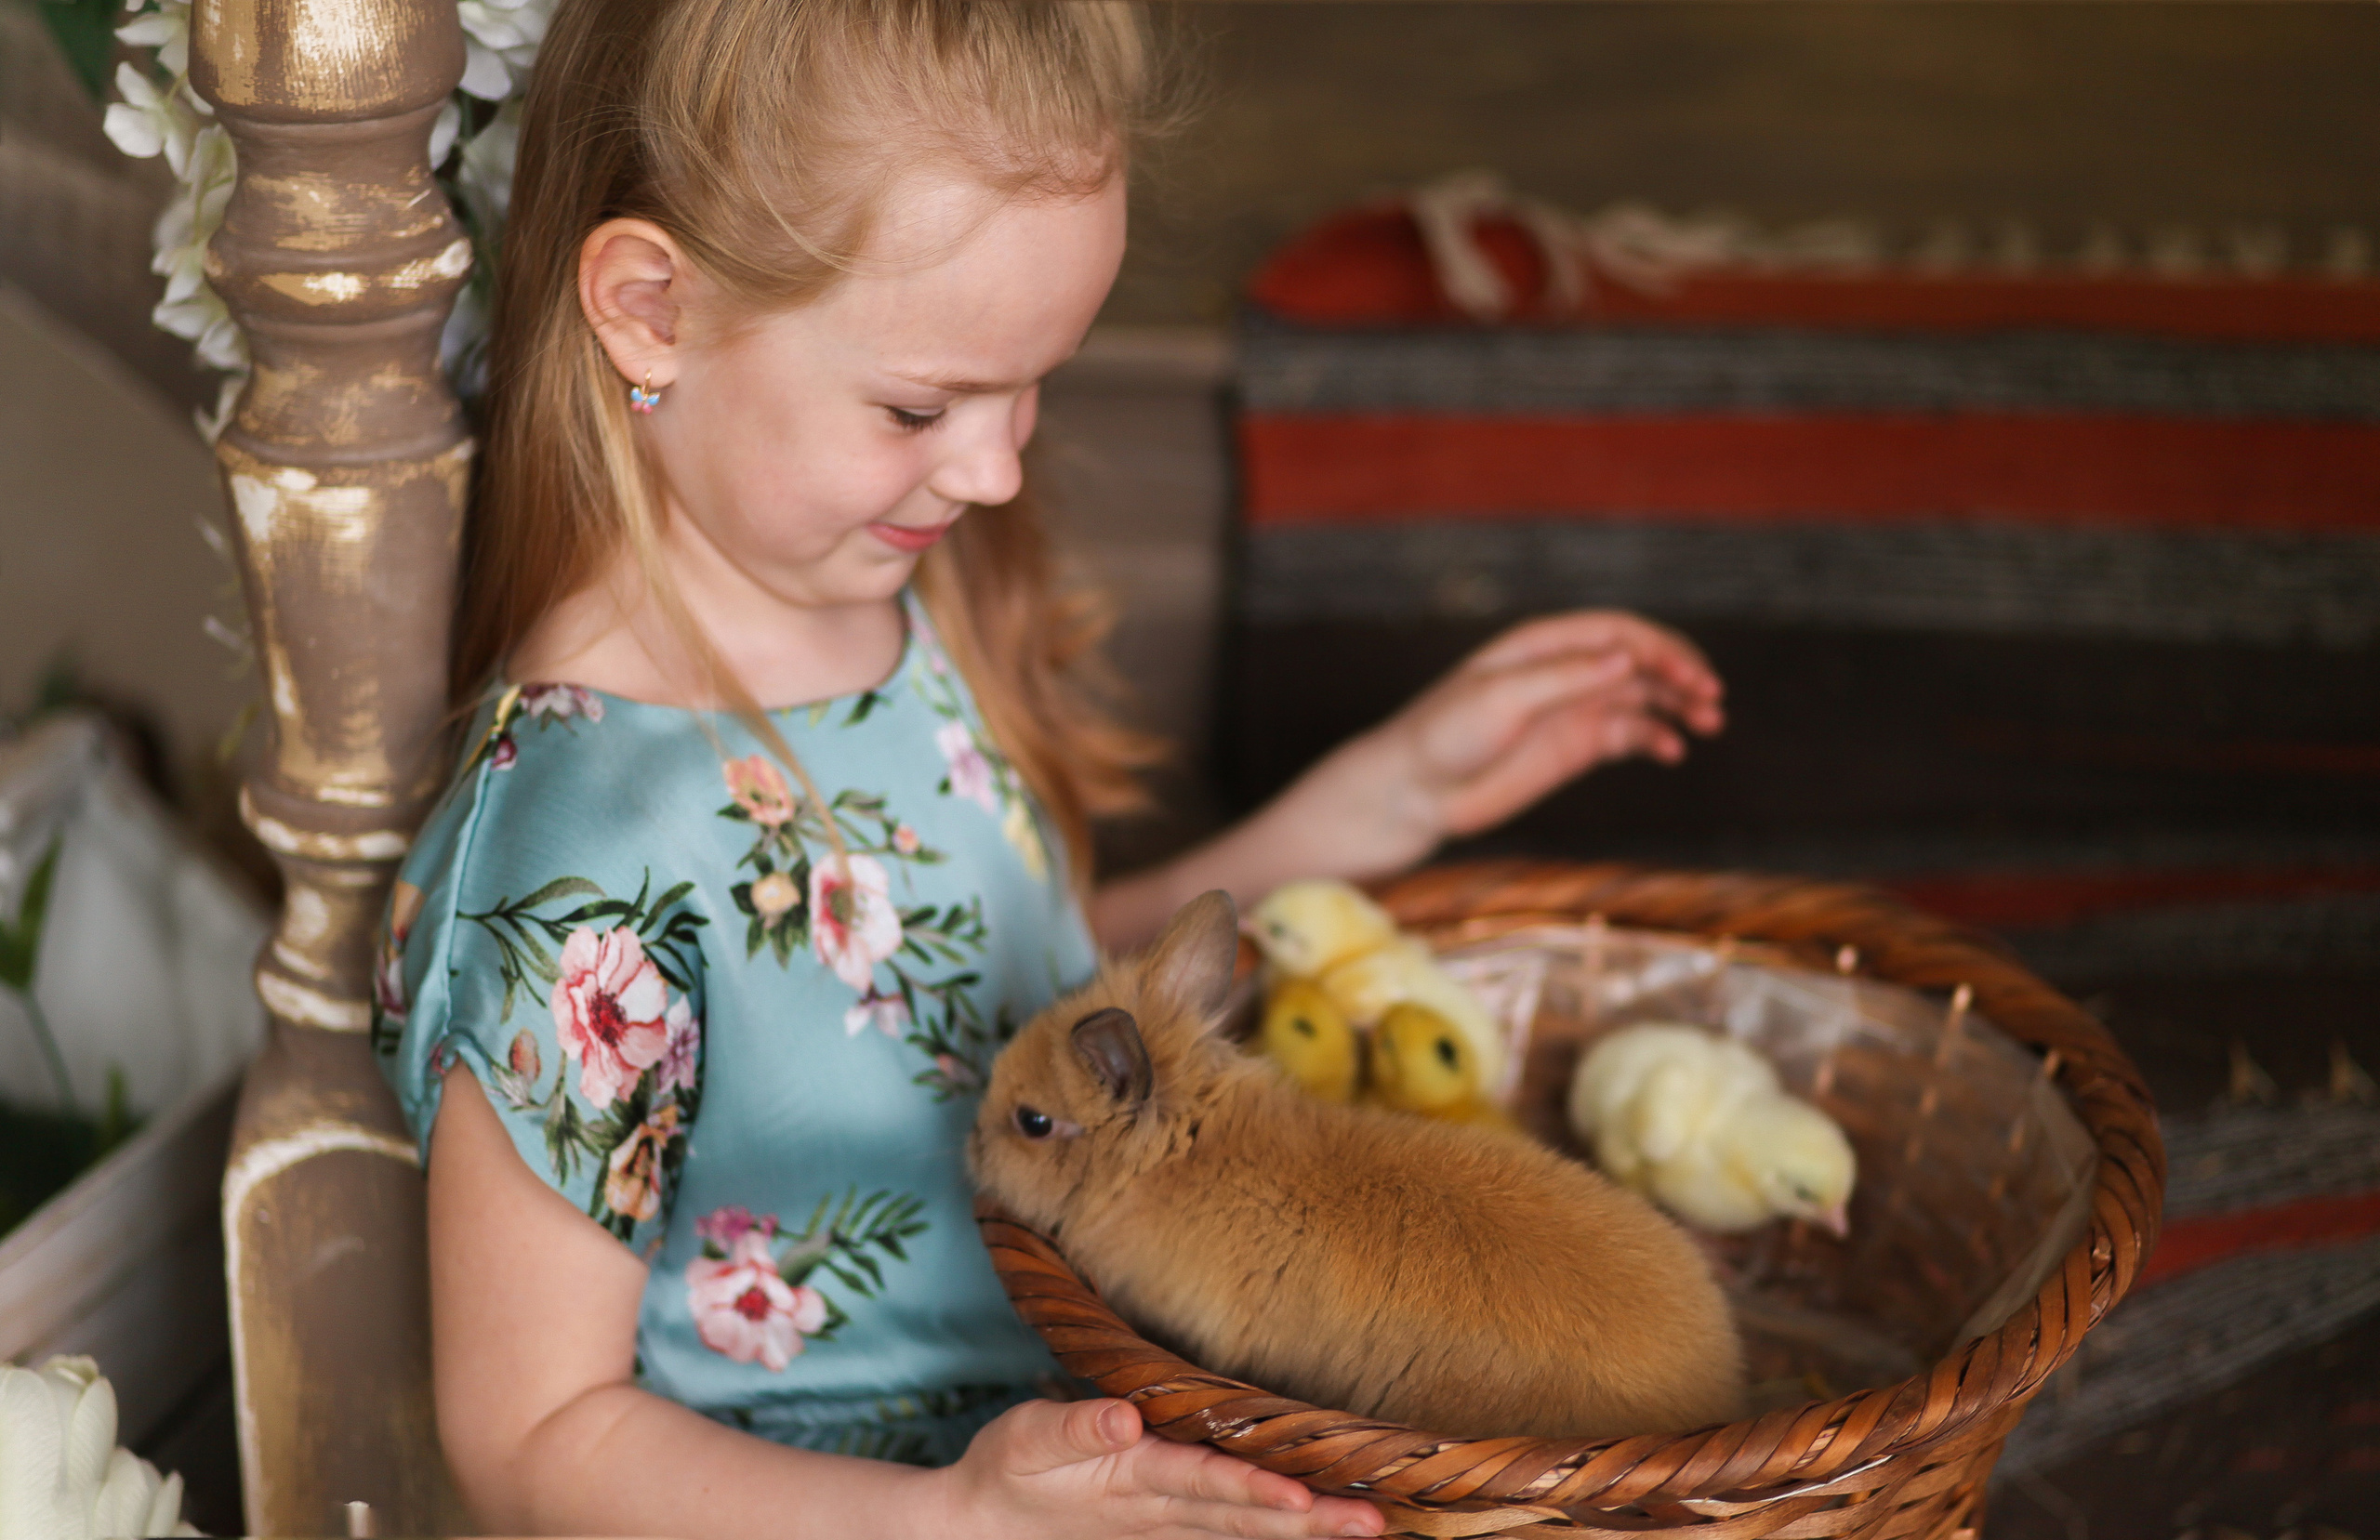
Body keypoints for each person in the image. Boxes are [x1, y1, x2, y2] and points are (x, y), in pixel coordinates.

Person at [373, 2, 1726, 1535]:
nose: (997, 466)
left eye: (1036, 384)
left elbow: (997, 1004)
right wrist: (954, 1518)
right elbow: (528, 1437)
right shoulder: (581, 846)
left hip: (1111, 1421)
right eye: (921, 405)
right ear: (650, 311)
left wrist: (1389, 793)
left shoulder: (884, 601)